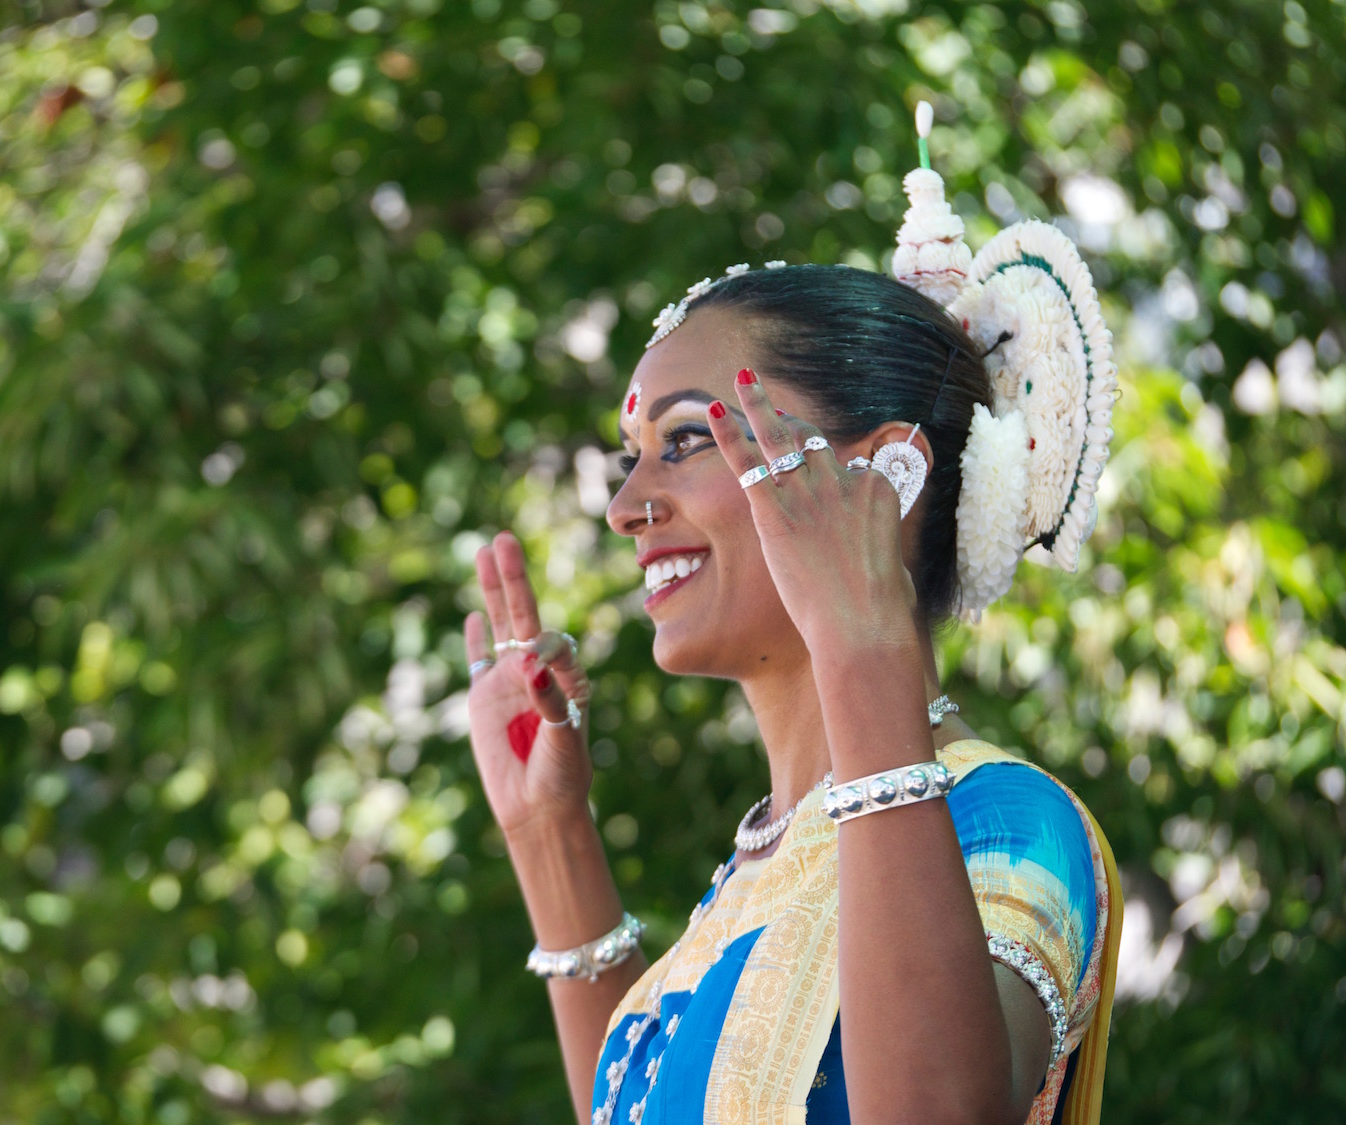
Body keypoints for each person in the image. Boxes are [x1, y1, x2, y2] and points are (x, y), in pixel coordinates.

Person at [461, 105, 1123, 1125]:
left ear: (883, 480)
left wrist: (867, 648)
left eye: (685, 440)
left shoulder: (1000, 821)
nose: (625, 505)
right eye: (630, 454)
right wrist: (551, 839)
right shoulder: (756, 873)